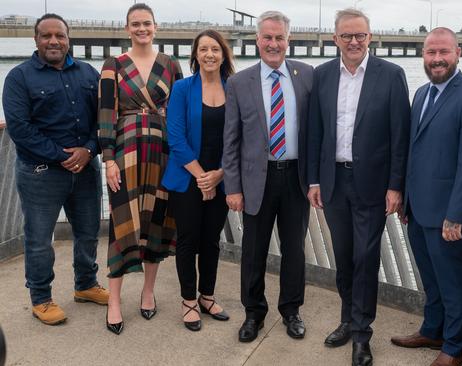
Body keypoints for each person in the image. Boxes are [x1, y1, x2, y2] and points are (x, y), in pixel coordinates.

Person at [307, 8, 411, 366]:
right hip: (334, 182)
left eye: (360, 35)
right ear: (334, 39)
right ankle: (348, 320)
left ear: (370, 37)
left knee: (366, 258)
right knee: (344, 258)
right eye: (346, 35)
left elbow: (401, 136)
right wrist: (314, 180)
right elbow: (314, 132)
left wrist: (396, 186)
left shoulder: (392, 75)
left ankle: (362, 335)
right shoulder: (321, 76)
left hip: (372, 185)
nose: (354, 42)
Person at [390, 28, 462, 366]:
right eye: (431, 52)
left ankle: (453, 347)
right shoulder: (421, 93)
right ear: (423, 54)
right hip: (418, 209)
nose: (437, 59)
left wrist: (457, 214)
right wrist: (405, 200)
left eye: (443, 52)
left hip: (448, 213)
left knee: (450, 281)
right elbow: (413, 151)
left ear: (458, 52)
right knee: (429, 277)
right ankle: (432, 329)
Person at [2, 13, 108, 326]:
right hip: (40, 174)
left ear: (67, 38)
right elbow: (20, 129)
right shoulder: (19, 78)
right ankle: (41, 298)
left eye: (59, 36)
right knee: (38, 239)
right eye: (46, 36)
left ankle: (86, 284)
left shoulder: (88, 73)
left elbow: (102, 121)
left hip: (86, 169)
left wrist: (89, 150)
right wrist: (63, 155)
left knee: (88, 233)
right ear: (36, 40)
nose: (53, 41)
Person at [222, 10, 313, 343]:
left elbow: (315, 133)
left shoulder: (307, 77)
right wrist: (232, 187)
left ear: (288, 41)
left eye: (280, 37)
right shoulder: (238, 82)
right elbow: (230, 140)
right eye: (268, 37)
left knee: (294, 250)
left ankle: (291, 310)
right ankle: (253, 313)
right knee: (253, 250)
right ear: (257, 39)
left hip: (295, 178)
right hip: (256, 181)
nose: (274, 43)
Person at [98, 3, 183, 335]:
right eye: (135, 24)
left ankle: (148, 292)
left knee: (156, 222)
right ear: (127, 28)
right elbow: (106, 114)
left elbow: (179, 111)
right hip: (125, 153)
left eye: (146, 23)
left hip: (162, 152)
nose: (141, 28)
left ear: (156, 27)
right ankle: (115, 301)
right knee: (122, 225)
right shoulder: (113, 65)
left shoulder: (171, 64)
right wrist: (108, 160)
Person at [162, 29, 235, 332]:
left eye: (215, 49)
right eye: (203, 49)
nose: (209, 54)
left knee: (211, 241)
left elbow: (240, 138)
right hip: (187, 176)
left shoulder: (236, 88)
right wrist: (202, 178)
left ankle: (207, 295)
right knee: (188, 240)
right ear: (195, 55)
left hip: (221, 176)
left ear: (223, 55)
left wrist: (218, 175)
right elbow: (175, 137)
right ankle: (189, 300)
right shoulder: (182, 88)